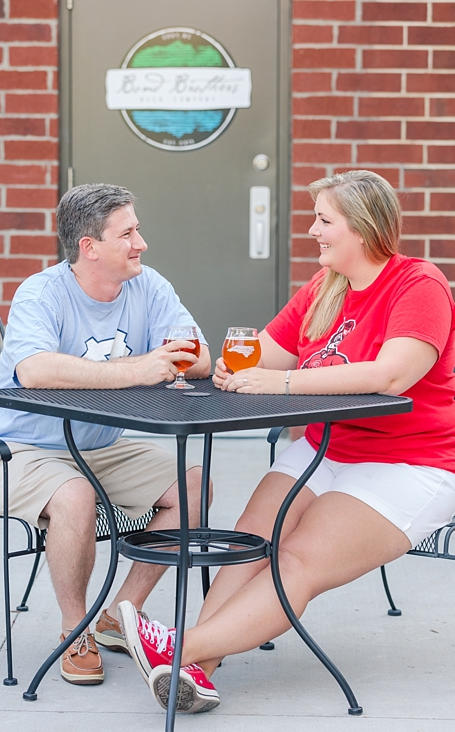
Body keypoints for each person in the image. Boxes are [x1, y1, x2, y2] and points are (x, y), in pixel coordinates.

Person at [118, 170, 455, 714]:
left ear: (363, 228)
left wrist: (286, 382)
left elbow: (393, 374)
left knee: (295, 561)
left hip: (411, 461)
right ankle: (198, 672)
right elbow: (258, 357)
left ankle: (180, 648)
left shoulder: (419, 285)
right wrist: (195, 360)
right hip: (328, 449)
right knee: (248, 541)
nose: (312, 230)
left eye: (324, 220)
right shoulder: (325, 289)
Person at [0, 182, 213, 686]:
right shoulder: (42, 292)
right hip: (14, 448)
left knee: (193, 485)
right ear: (89, 247)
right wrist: (139, 369)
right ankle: (74, 629)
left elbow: (201, 356)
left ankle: (118, 614)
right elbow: (35, 370)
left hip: (99, 446)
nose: (141, 243)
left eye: (137, 230)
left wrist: (169, 361)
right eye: (128, 233)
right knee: (75, 497)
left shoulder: (150, 286)